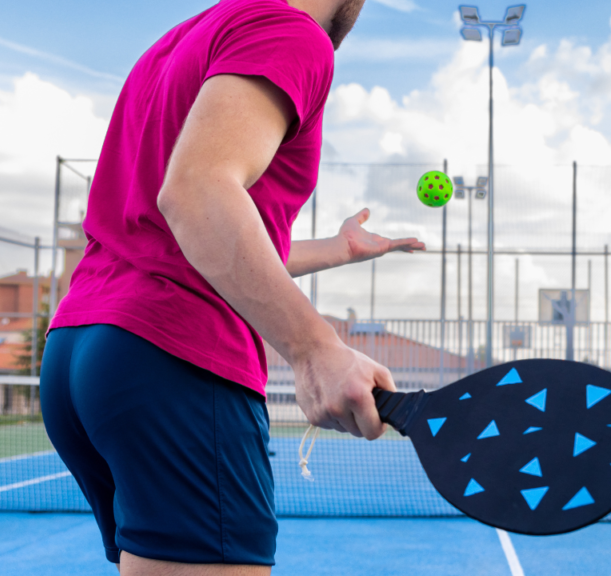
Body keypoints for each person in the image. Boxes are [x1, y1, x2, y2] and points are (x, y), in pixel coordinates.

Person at [40, 0, 422, 573]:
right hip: (173, 355)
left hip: (81, 350)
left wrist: (338, 250)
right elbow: (196, 194)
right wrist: (314, 349)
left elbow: (195, 236)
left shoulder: (181, 41)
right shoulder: (290, 32)